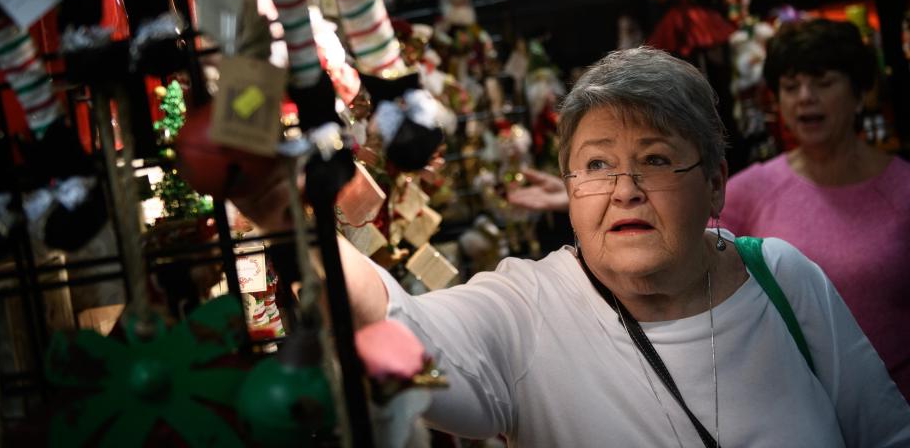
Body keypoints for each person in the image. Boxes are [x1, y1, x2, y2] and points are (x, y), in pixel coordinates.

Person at [328, 46, 910, 446]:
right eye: (597, 165)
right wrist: (285, 210)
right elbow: (395, 325)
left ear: (714, 185)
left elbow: (887, 436)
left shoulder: (781, 277)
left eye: (655, 160)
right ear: (571, 187)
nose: (624, 191)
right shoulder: (527, 307)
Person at [721, 18, 910, 400]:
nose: (805, 97)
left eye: (823, 83)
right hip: (794, 411)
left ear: (860, 93)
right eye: (791, 87)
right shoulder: (749, 190)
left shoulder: (903, 188)